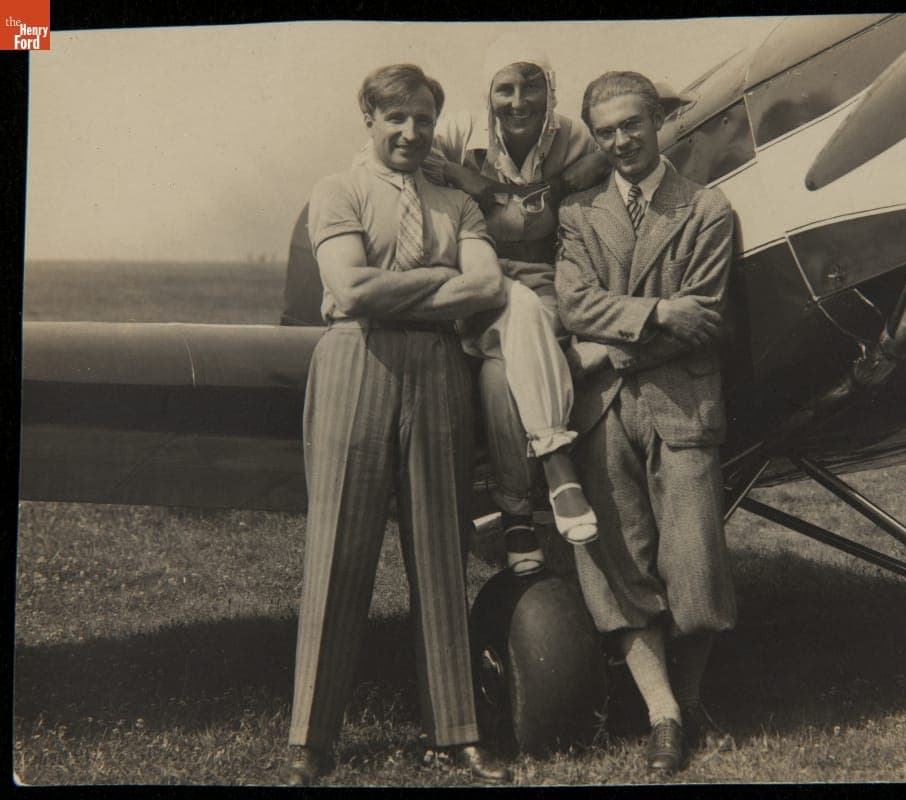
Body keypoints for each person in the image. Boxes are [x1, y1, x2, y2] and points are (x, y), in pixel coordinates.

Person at [283, 63, 512, 786]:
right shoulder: (338, 190)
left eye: (423, 119)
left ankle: (456, 733)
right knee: (338, 550)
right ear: (371, 120)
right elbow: (348, 287)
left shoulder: (457, 205)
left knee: (440, 549)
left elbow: (488, 286)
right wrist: (441, 287)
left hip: (439, 373)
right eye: (397, 119)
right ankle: (311, 741)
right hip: (356, 363)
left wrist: (396, 295)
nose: (412, 132)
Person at [555, 71, 738, 774]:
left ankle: (687, 701)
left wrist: (605, 347)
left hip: (683, 407)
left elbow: (708, 318)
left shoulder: (706, 208)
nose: (621, 141)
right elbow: (574, 304)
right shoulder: (579, 214)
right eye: (606, 131)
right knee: (619, 565)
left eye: (633, 124)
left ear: (658, 122)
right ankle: (664, 713)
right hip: (601, 414)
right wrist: (659, 312)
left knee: (695, 568)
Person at [419, 37, 611, 575]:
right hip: (477, 280)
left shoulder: (571, 135)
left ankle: (516, 515)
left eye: (533, 86)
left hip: (546, 285)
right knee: (516, 306)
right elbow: (388, 151)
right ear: (488, 93)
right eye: (505, 88)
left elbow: (630, 132)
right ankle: (556, 463)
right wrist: (468, 180)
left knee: (502, 373)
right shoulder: (458, 131)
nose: (519, 101)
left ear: (551, 90)